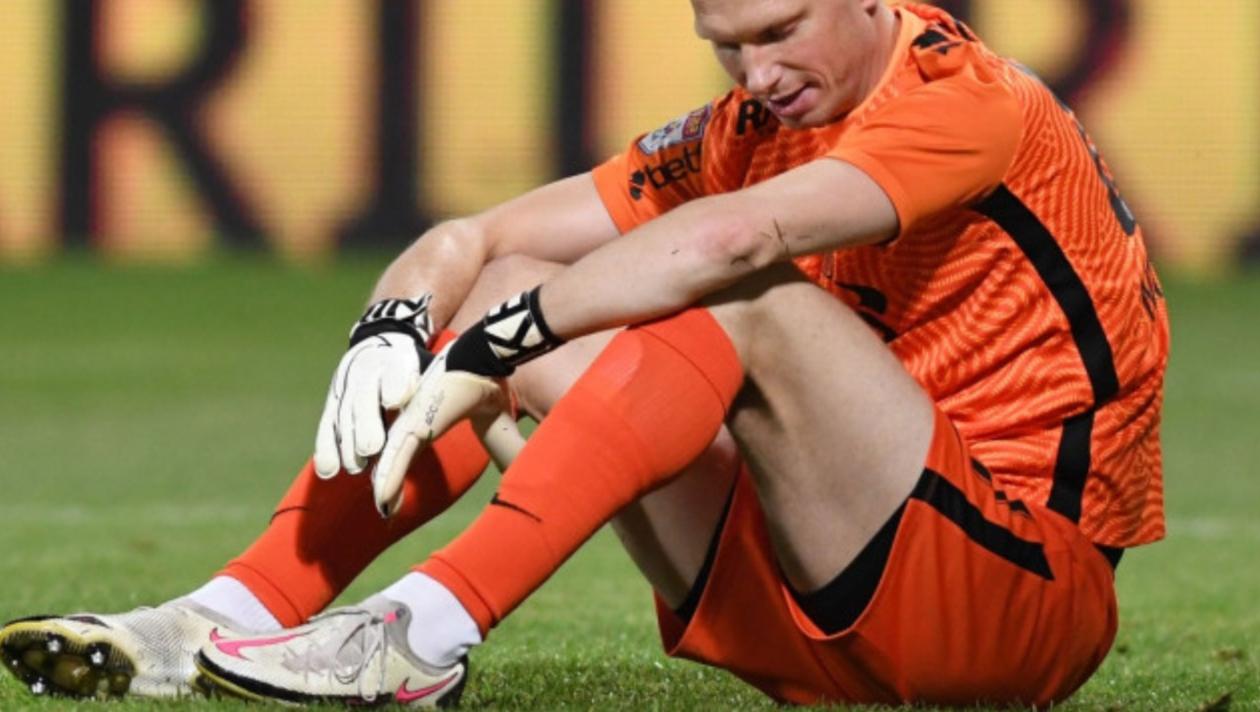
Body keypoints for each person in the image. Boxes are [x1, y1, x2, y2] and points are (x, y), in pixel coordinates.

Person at [0, 0, 1168, 707]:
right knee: (510, 282)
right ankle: (214, 617)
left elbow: (732, 243)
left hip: (1016, 602)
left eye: (780, 32)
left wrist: (509, 341)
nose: (757, 75)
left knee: (735, 292)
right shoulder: (751, 125)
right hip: (819, 601)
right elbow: (477, 239)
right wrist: (397, 320)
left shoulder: (965, 99)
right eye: (727, 45)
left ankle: (422, 635)